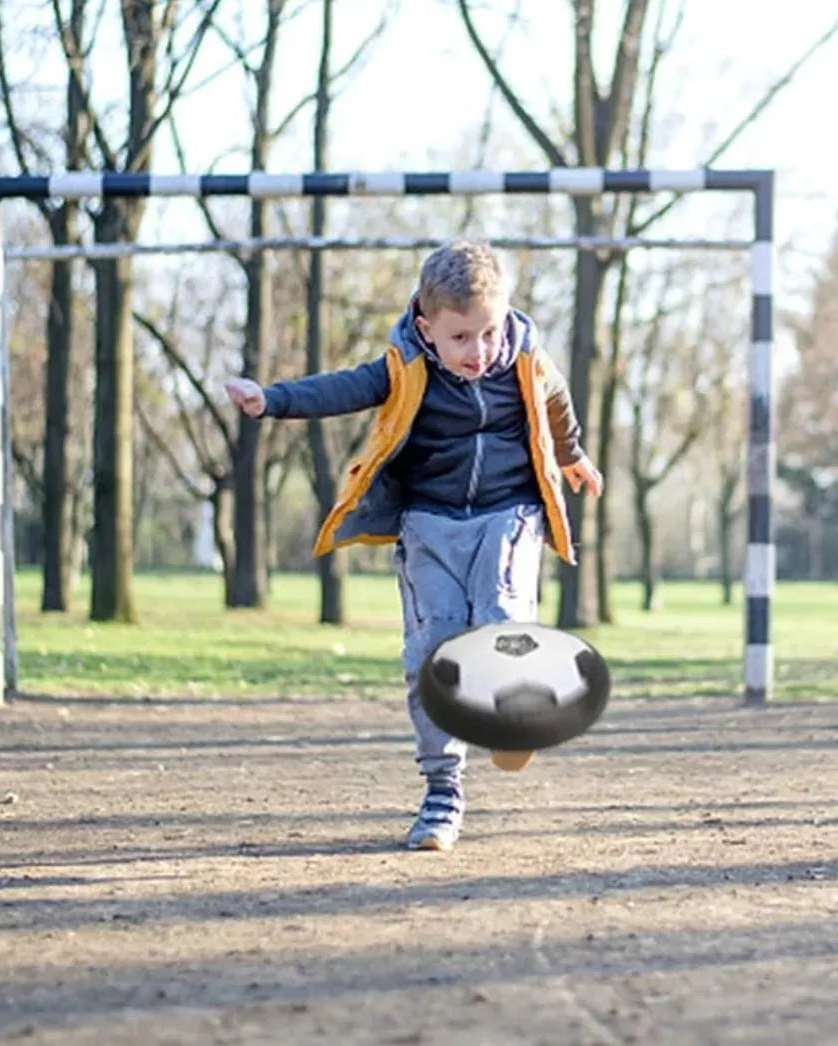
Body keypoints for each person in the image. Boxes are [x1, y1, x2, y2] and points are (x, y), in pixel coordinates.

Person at [225, 240, 603, 852]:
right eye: (460, 339)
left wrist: (572, 454)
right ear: (428, 328)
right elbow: (344, 389)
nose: (478, 352)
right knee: (431, 654)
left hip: (509, 514)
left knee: (503, 619)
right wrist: (273, 399)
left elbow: (556, 405)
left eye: (488, 333)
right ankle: (442, 791)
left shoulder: (529, 360)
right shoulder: (406, 364)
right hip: (429, 522)